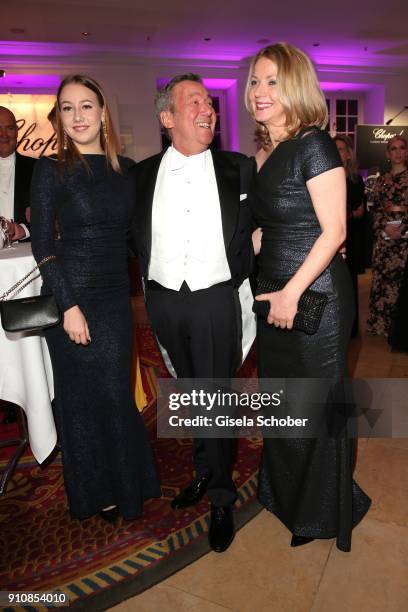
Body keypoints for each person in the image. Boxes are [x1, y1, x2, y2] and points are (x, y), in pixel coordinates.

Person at [246, 43, 371, 551]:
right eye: (255, 81)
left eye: (273, 81)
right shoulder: (267, 151)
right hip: (275, 293)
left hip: (311, 296)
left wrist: (291, 294)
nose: (260, 92)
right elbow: (271, 226)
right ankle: (289, 495)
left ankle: (322, 511)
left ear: (296, 86)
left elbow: (335, 230)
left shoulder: (314, 143)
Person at [131, 74, 255, 553]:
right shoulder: (139, 176)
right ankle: (207, 471)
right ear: (167, 119)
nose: (208, 109)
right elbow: (128, 238)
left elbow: (264, 223)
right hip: (164, 298)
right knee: (189, 393)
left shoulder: (239, 168)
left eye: (210, 102)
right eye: (195, 102)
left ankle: (222, 497)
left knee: (217, 398)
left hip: (214, 299)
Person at [30, 74, 161, 522]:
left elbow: (131, 240)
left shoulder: (124, 171)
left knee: (115, 394)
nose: (78, 116)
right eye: (67, 108)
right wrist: (67, 305)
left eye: (86, 106)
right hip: (71, 298)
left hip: (113, 301)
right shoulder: (51, 170)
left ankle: (130, 484)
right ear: (59, 118)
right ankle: (98, 492)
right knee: (81, 402)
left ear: (103, 113)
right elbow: (43, 246)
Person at [0, 106, 36, 424]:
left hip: (24, 267)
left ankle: (29, 390)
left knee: (22, 329)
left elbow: (48, 222)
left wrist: (21, 230)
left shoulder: (37, 169)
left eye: (10, 128)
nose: (4, 134)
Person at [366, 135, 408, 336]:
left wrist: (403, 230)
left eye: (401, 148)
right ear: (388, 154)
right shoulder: (381, 181)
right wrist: (385, 227)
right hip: (384, 242)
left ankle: (400, 331)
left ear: (406, 152)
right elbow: (373, 210)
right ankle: (383, 328)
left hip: (405, 243)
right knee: (383, 283)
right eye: (393, 149)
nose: (398, 152)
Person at [334, 134, 366, 336]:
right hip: (329, 237)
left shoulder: (356, 180)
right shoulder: (324, 177)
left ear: (348, 155)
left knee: (349, 282)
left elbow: (360, 211)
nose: (337, 153)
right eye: (334, 149)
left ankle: (350, 329)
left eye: (341, 149)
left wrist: (350, 213)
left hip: (350, 236)